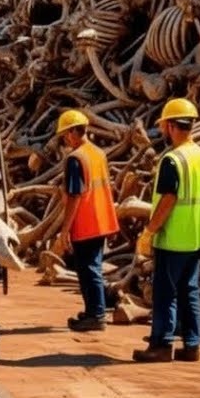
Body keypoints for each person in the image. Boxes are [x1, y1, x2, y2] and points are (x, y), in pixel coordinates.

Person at [132, 98, 200, 363]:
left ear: (169, 126)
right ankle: (192, 346)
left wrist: (149, 232)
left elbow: (168, 199)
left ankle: (161, 344)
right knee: (190, 291)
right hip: (198, 237)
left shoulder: (172, 159)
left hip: (174, 238)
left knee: (165, 293)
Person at [51, 109, 120, 332]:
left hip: (86, 223)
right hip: (101, 220)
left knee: (88, 270)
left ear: (73, 132)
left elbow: (75, 196)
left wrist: (65, 230)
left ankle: (96, 315)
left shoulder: (76, 159)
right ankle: (92, 311)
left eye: (65, 135)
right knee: (92, 268)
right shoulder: (98, 153)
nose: (64, 140)